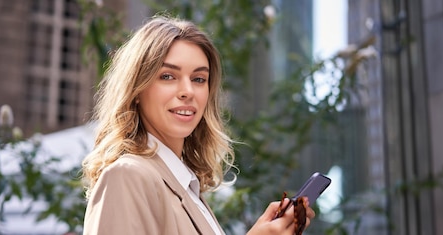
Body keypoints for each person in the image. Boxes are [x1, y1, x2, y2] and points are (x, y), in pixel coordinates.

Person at [81, 16, 315, 235]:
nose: (188, 91)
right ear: (137, 90)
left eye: (199, 79)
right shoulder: (127, 175)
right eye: (167, 76)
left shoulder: (187, 187)